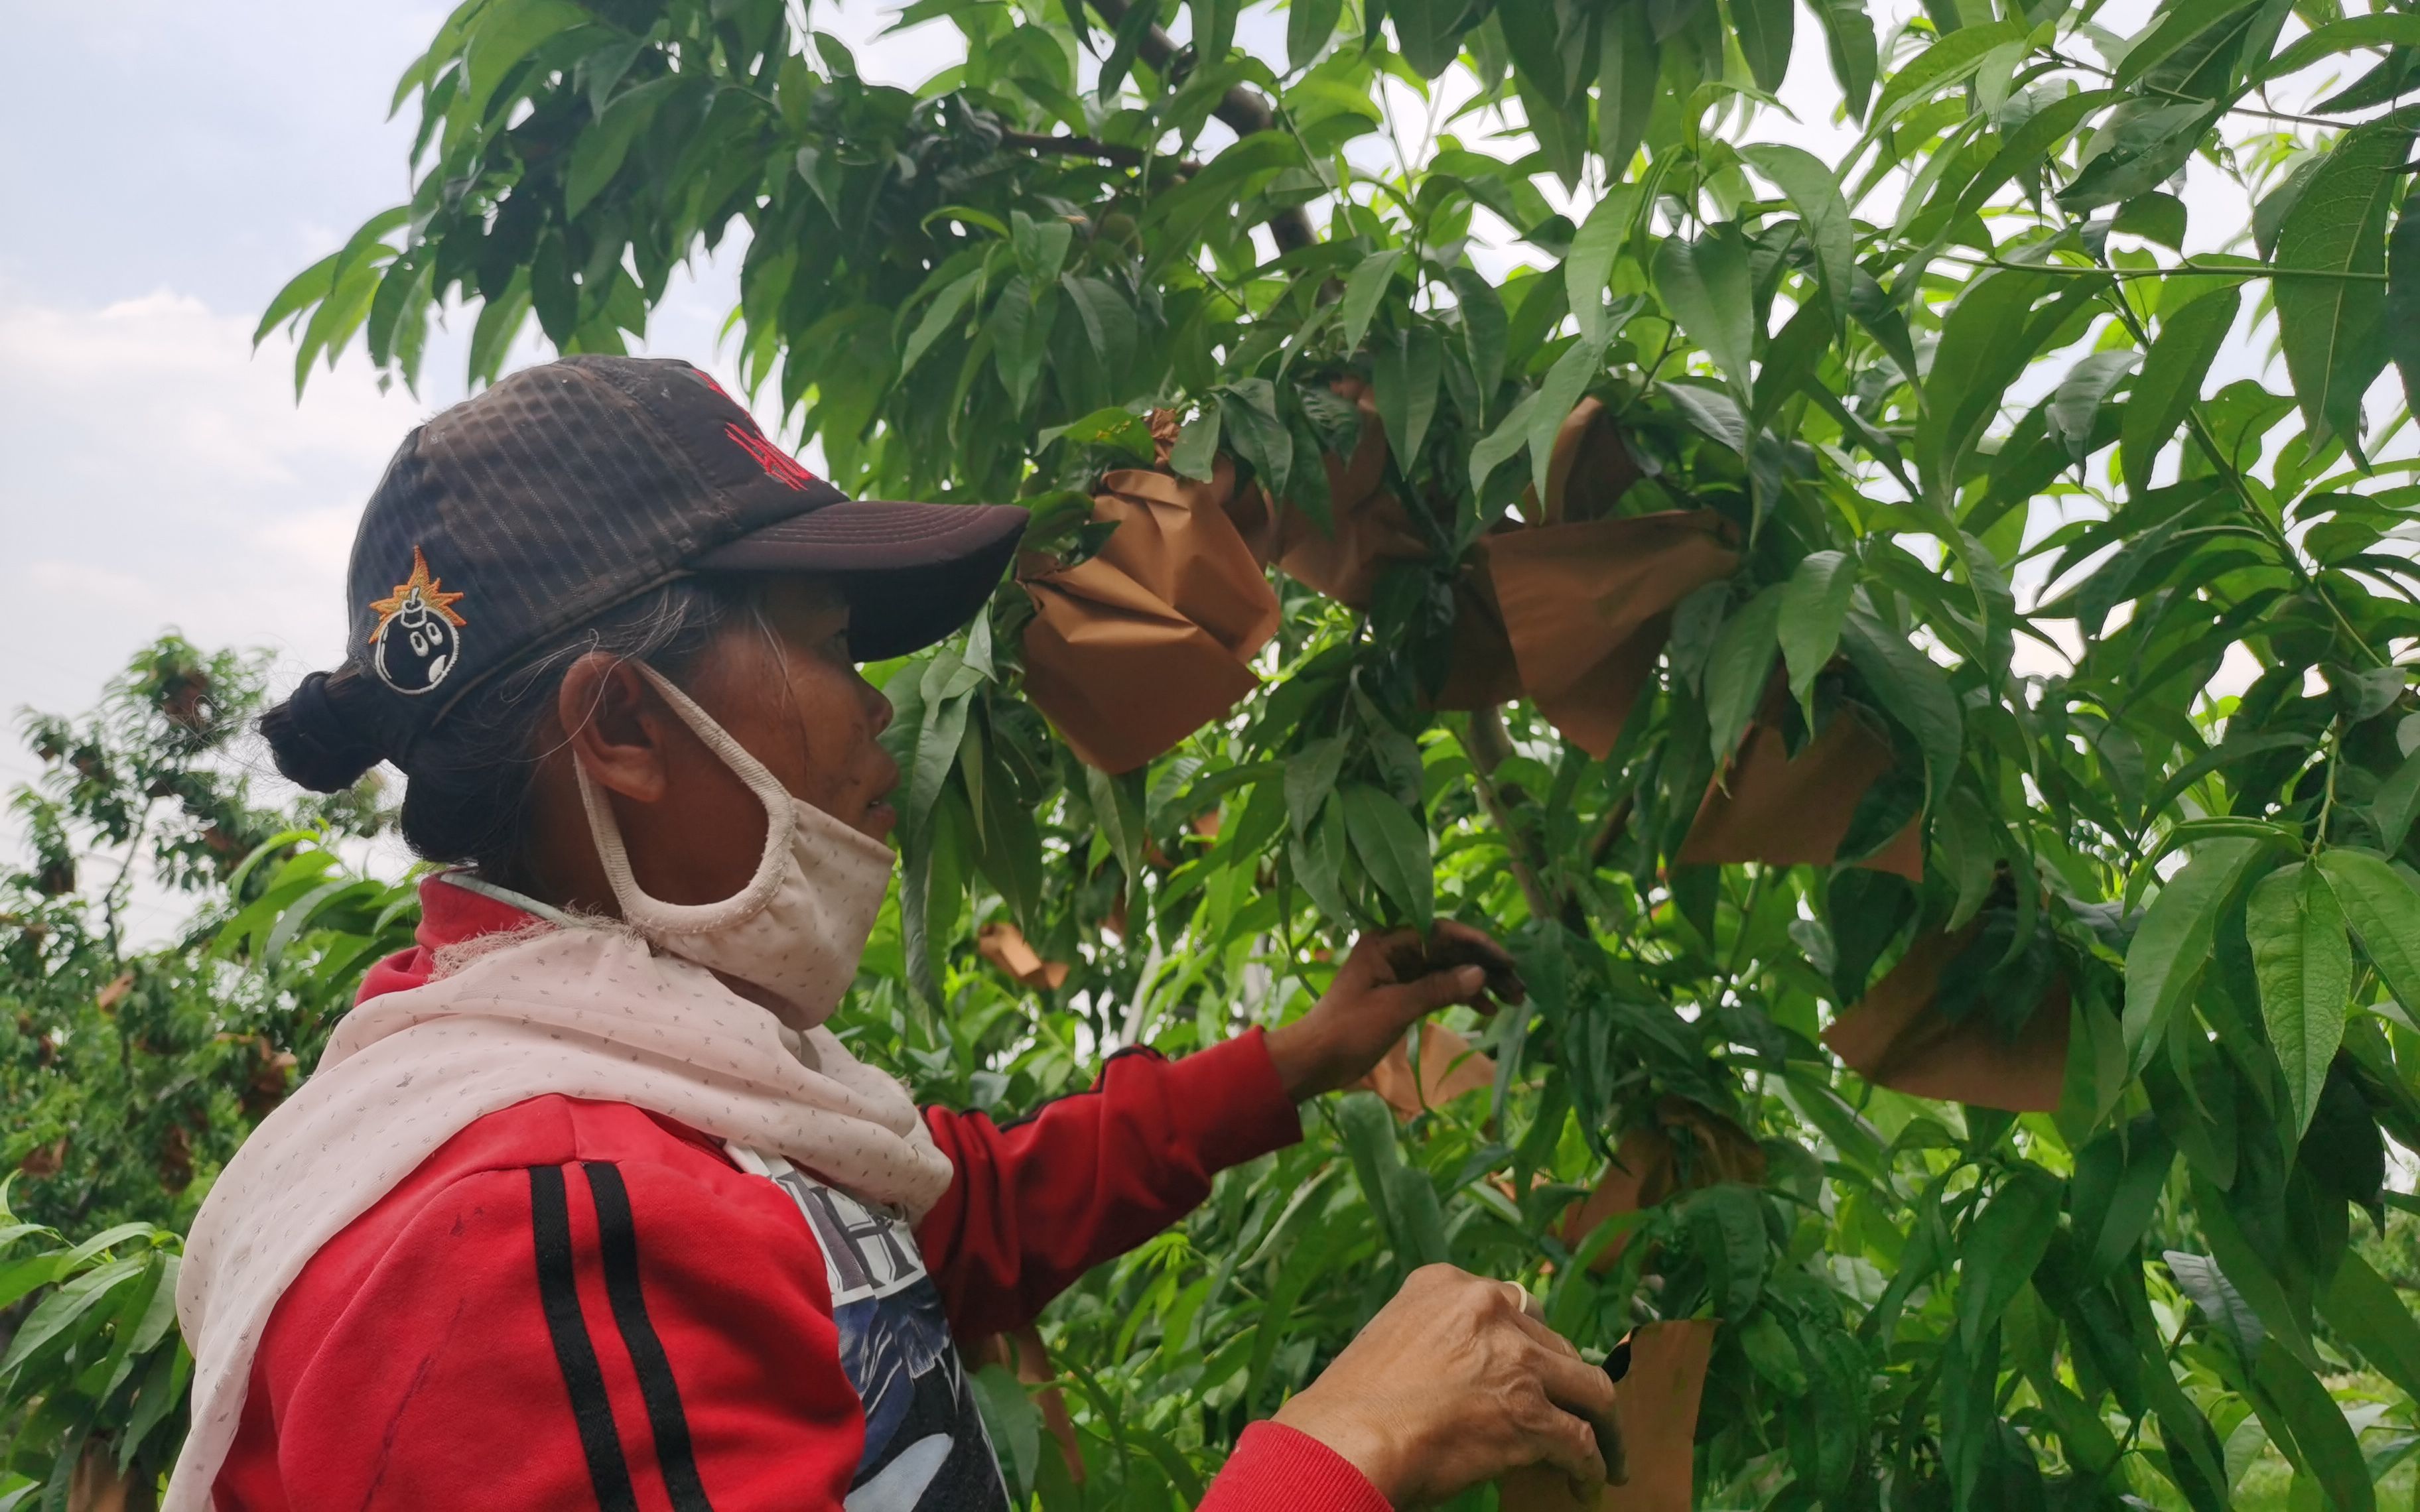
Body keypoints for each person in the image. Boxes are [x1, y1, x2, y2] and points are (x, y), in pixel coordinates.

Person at [172, 356, 1619, 1512]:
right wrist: (1345, 1444)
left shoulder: (658, 1071)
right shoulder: (524, 1240)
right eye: (825, 641)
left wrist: (1300, 1054)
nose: (877, 711)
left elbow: (943, 1222)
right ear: (621, 726)